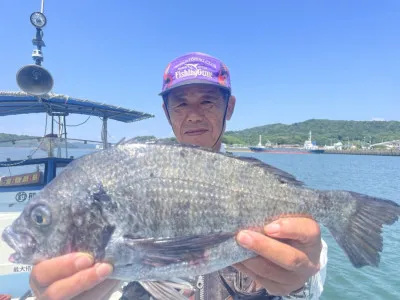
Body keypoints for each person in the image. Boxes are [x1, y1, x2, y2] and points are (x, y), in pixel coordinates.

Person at [29, 52, 327, 300]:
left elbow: (308, 280)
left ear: (229, 107)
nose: (193, 114)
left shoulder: (262, 189)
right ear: (167, 111)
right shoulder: (134, 181)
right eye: (181, 103)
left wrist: (299, 282)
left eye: (208, 101)